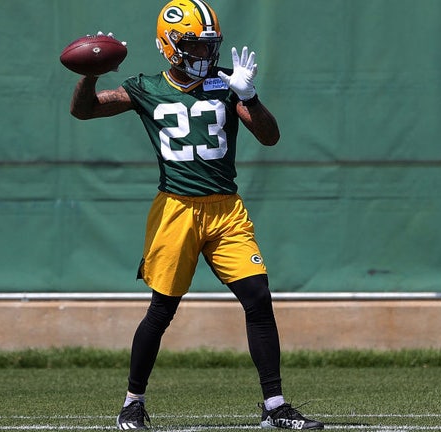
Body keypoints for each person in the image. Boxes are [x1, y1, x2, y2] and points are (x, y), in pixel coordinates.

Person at [69, 1, 324, 430]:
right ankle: (132, 402)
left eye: (209, 46)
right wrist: (91, 71)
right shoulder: (145, 87)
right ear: (168, 46)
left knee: (258, 298)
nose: (204, 55)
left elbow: (270, 136)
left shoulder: (227, 85)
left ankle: (275, 406)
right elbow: (85, 109)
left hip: (225, 209)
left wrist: (250, 96)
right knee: (161, 309)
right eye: (193, 45)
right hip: (176, 209)